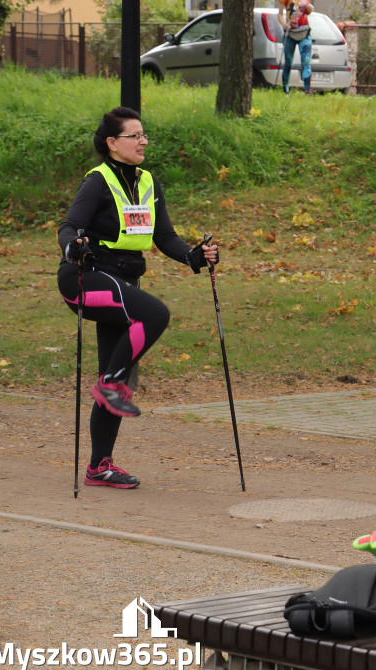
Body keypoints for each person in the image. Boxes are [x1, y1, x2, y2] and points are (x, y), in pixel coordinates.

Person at [57, 107, 219, 489]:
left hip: (124, 284)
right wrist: (74, 247)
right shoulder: (97, 181)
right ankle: (111, 384)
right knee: (156, 316)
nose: (143, 141)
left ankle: (99, 465)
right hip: (87, 278)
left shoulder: (148, 182)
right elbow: (68, 227)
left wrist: (194, 256)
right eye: (135, 135)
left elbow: (164, 238)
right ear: (113, 143)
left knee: (114, 377)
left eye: (144, 135)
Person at [279, 0, 314, 94]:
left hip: (304, 33)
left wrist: (310, 8)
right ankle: (285, 90)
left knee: (305, 62)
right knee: (288, 63)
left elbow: (309, 11)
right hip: (290, 34)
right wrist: (284, 25)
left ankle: (307, 90)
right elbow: (280, 14)